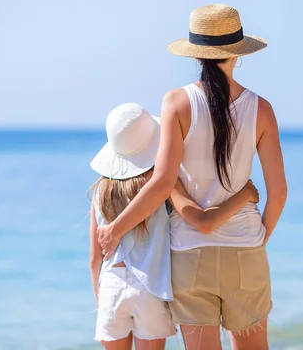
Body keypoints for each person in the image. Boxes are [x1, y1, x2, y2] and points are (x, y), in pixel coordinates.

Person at [97, 4, 288, 350]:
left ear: (196, 54)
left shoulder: (176, 102)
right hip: (244, 249)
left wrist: (115, 229)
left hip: (189, 254)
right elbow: (277, 195)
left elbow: (163, 183)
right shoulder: (261, 109)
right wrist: (258, 237)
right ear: (237, 53)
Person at [89, 102, 260, 350]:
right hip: (148, 286)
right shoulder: (161, 185)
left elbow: (95, 258)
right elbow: (201, 220)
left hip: (110, 285)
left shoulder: (100, 191)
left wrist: (102, 301)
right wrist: (244, 195)